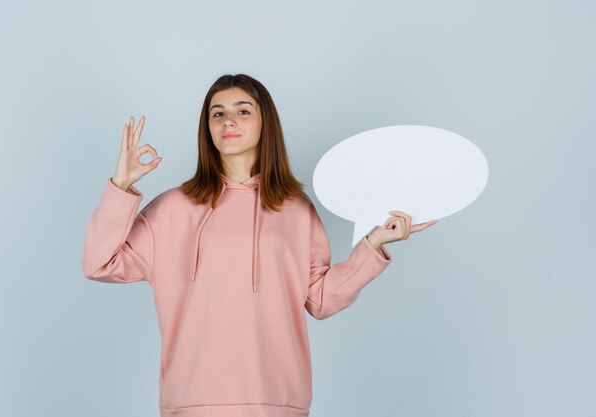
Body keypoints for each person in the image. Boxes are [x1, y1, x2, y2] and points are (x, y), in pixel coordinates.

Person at [82, 73, 436, 417]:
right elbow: (100, 263)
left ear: (266, 122)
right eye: (217, 113)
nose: (228, 121)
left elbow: (322, 299)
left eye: (243, 110)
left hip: (278, 401)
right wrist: (120, 186)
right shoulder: (173, 208)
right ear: (207, 128)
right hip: (191, 402)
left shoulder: (294, 208)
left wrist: (373, 244)